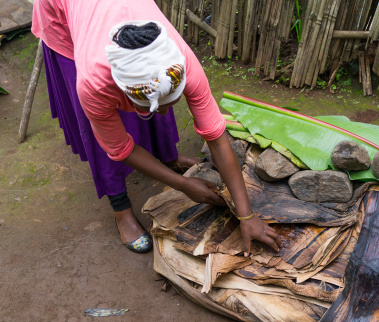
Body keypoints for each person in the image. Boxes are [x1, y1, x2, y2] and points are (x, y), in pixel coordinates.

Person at [31, 0, 281, 255]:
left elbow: (216, 137)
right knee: (99, 135)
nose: (164, 111)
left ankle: (166, 157)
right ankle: (121, 209)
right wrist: (183, 184)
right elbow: (120, 148)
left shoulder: (182, 64)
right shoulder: (94, 83)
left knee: (158, 106)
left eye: (172, 102)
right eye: (152, 106)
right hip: (62, 13)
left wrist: (246, 215)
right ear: (123, 90)